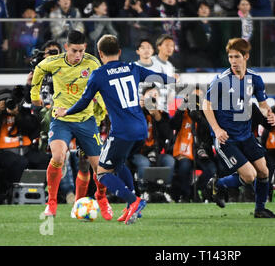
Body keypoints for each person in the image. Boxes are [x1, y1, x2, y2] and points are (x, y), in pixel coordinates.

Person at [55, 34, 175, 224]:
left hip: (122, 130)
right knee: (119, 164)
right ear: (119, 52)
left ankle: (133, 201)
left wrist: (65, 112)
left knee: (103, 173)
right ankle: (132, 208)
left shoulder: (99, 75)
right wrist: (173, 80)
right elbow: (160, 78)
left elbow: (84, 102)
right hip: (141, 128)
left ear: (100, 54)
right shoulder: (132, 67)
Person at [30, 30, 112, 219]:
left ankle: (100, 197)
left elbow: (100, 85)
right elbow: (39, 69)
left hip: (86, 120)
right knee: (58, 156)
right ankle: (51, 203)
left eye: (82, 51)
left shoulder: (92, 63)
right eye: (75, 51)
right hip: (62, 120)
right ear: (66, 47)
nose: (78, 56)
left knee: (96, 167)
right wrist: (35, 96)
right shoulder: (54, 62)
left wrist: (102, 106)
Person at [202, 38, 275, 218]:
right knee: (250, 176)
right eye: (230, 57)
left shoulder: (255, 79)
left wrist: (269, 112)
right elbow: (206, 105)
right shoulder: (220, 80)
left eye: (237, 56)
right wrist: (217, 130)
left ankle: (260, 209)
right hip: (226, 138)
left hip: (246, 135)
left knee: (263, 170)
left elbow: (262, 104)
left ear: (246, 56)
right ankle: (218, 184)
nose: (233, 61)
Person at [0, 87, 49, 204]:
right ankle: (11, 192)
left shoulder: (22, 112)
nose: (7, 105)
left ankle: (36, 192)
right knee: (19, 162)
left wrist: (18, 114)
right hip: (3, 151)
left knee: (45, 159)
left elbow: (33, 129)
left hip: (25, 150)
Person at [128, 84, 175, 201]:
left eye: (155, 95)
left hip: (156, 153)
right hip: (138, 152)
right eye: (149, 95)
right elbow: (131, 131)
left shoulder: (161, 115)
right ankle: (144, 191)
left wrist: (157, 116)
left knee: (169, 160)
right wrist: (138, 110)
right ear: (143, 98)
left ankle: (164, 190)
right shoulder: (135, 113)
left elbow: (168, 135)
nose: (152, 98)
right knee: (144, 164)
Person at [170, 88, 217, 202]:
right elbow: (172, 125)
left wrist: (200, 117)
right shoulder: (183, 113)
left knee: (211, 169)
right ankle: (186, 195)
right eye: (194, 97)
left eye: (199, 97)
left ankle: (195, 189)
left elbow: (210, 131)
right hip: (184, 151)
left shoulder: (207, 113)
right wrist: (182, 107)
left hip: (201, 152)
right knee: (184, 168)